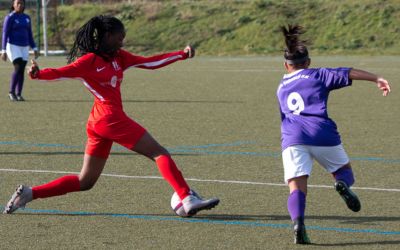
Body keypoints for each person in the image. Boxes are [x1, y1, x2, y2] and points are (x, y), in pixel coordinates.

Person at [3, 15, 219, 216]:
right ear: (107, 36)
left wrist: (181, 55)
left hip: (99, 122)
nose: (122, 43)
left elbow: (149, 62)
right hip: (109, 118)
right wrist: (38, 74)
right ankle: (186, 197)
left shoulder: (120, 57)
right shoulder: (89, 61)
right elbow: (62, 72)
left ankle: (29, 193)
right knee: (159, 152)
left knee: (85, 181)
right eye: (119, 38)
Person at [277, 25, 391, 244]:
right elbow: (347, 72)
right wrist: (376, 78)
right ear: (308, 62)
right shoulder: (318, 75)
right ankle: (343, 185)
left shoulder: (281, 87)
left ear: (286, 65)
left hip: (292, 138)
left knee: (296, 187)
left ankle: (298, 224)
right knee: (344, 171)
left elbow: (284, 117)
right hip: (322, 134)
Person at [1, 0, 39, 101]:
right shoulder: (10, 17)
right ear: (13, 5)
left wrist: (34, 48)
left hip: (24, 46)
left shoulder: (26, 18)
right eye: (17, 3)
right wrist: (3, 50)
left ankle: (18, 94)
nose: (19, 5)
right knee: (17, 67)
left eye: (21, 3)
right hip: (13, 46)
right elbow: (5, 33)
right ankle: (11, 92)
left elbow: (30, 34)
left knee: (22, 69)